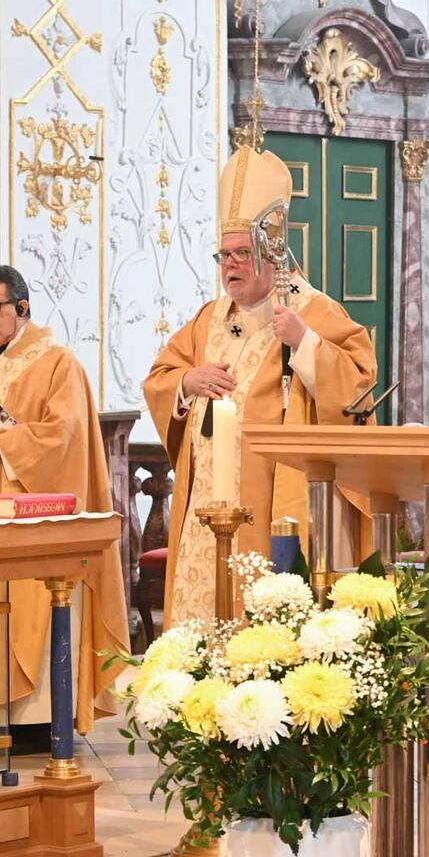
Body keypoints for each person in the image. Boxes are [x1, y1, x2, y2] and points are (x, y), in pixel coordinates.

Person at [143, 146, 377, 625]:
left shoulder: (312, 310)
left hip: (274, 502)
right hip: (206, 506)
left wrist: (306, 344)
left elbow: (358, 384)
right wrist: (188, 380)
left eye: (241, 254)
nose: (229, 266)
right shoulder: (208, 320)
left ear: (272, 251)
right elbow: (161, 378)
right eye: (223, 255)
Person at [0, 265, 128, 752]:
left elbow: (61, 434)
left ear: (21, 307)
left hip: (31, 514)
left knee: (31, 609)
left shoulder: (56, 363)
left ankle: (39, 718)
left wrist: (0, 444)